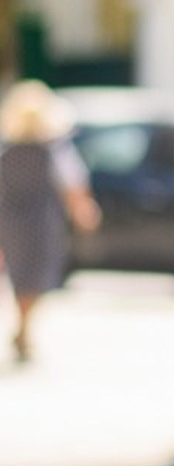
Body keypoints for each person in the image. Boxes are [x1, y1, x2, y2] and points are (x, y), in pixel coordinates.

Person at [0, 80, 101, 363]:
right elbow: (73, 184)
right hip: (35, 219)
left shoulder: (21, 150)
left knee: (27, 275)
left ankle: (23, 328)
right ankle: (23, 328)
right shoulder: (48, 151)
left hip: (16, 219)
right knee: (33, 275)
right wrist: (83, 209)